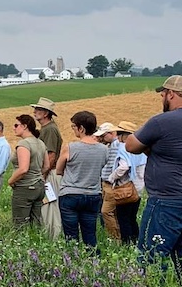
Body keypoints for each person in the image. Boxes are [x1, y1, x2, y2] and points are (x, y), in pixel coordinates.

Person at [124, 76, 182, 275]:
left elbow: (131, 145)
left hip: (166, 201)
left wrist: (148, 145)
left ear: (171, 94)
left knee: (151, 258)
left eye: (162, 94)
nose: (162, 98)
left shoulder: (162, 121)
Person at [56, 111, 107, 247]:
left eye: (74, 126)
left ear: (81, 128)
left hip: (70, 194)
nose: (73, 129)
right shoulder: (103, 149)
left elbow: (59, 170)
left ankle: (72, 257)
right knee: (90, 234)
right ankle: (92, 257)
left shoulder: (70, 148)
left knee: (71, 236)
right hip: (93, 194)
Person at [99, 122, 143, 245]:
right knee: (132, 218)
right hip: (139, 188)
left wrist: (111, 178)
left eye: (119, 133)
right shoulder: (140, 149)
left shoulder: (124, 147)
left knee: (123, 218)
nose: (117, 137)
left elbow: (124, 166)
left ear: (125, 135)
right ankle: (136, 242)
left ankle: (126, 244)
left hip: (125, 188)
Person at [31, 97, 63, 239]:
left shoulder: (49, 129)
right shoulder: (47, 128)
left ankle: (53, 237)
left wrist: (42, 176)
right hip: (48, 173)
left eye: (38, 110)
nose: (34, 112)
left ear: (46, 113)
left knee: (50, 207)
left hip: (50, 174)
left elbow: (51, 156)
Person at [7, 115, 46, 228]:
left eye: (16, 125)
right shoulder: (41, 143)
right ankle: (36, 238)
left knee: (20, 224)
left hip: (25, 187)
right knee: (36, 223)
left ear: (24, 126)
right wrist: (37, 175)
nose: (14, 128)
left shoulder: (24, 144)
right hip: (39, 186)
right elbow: (46, 166)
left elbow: (23, 169)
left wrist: (11, 181)